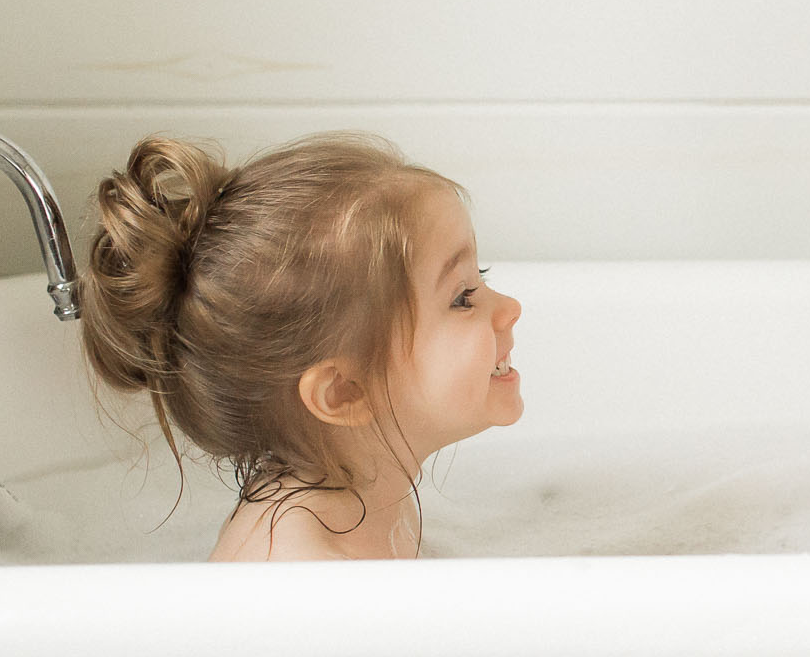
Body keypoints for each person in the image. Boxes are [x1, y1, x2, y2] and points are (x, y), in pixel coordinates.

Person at [78, 133, 522, 561]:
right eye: (462, 297)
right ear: (344, 391)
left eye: (480, 276)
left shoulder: (371, 492)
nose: (511, 309)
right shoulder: (300, 573)